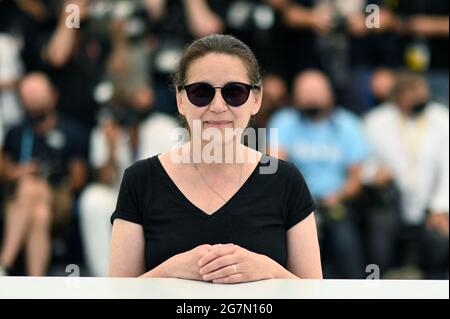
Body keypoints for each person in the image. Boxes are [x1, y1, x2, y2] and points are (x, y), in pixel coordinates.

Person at [109, 34, 322, 282]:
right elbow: (118, 294)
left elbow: (313, 294)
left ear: (256, 99)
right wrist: (169, 271)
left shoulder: (285, 180)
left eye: (235, 92)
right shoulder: (141, 180)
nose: (218, 106)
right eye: (201, 92)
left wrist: (268, 270)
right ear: (180, 100)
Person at [267, 70, 368, 278]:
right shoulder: (283, 121)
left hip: (336, 202)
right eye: (305, 91)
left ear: (330, 95)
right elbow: (274, 167)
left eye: (316, 91)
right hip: (294, 205)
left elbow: (356, 179)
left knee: (344, 240)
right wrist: (300, 201)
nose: (311, 96)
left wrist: (337, 196)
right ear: (294, 96)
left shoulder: (348, 125)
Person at [0, 72, 88, 276]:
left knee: (32, 187)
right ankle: (35, 285)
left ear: (53, 96)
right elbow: (4, 172)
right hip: (21, 199)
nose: (35, 108)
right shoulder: (17, 132)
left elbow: (78, 180)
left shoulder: (71, 131)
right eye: (30, 102)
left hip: (59, 195)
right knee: (39, 213)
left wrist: (52, 176)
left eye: (39, 101)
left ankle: (4, 264)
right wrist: (18, 171)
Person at [363, 72, 449, 278]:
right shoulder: (376, 121)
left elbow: (448, 169)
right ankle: (375, 285)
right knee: (379, 238)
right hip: (390, 202)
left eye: (422, 95)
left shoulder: (441, 118)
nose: (419, 101)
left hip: (431, 205)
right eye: (412, 97)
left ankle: (435, 287)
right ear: (397, 98)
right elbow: (363, 165)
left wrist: (441, 208)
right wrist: (374, 174)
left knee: (439, 242)